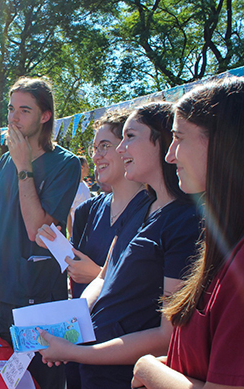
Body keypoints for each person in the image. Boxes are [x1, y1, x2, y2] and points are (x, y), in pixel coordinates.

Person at [36, 102, 201, 389]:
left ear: (161, 142)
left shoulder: (185, 221)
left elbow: (168, 335)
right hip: (91, 371)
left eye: (130, 137)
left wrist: (76, 351)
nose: (121, 149)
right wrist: (65, 325)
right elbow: (104, 277)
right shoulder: (143, 211)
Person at [0, 77, 81, 389]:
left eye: (24, 110)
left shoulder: (65, 164)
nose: (13, 117)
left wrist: (25, 166)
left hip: (36, 297)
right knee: (1, 379)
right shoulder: (7, 162)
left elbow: (38, 230)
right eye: (11, 109)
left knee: (40, 382)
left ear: (45, 115)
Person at [132, 78, 244, 388]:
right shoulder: (224, 241)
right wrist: (172, 366)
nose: (170, 155)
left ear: (224, 144)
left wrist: (146, 368)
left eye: (179, 138)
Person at [63, 110, 152, 389]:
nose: (96, 156)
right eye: (94, 148)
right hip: (80, 343)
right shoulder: (88, 210)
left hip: (124, 356)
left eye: (105, 146)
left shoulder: (154, 212)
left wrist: (98, 275)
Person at [66, 155, 92, 237]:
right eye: (87, 166)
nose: (88, 168)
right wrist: (70, 233)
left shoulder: (84, 185)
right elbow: (68, 212)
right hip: (77, 232)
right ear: (81, 167)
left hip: (85, 231)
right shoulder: (74, 187)